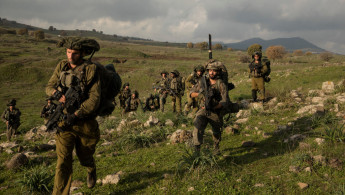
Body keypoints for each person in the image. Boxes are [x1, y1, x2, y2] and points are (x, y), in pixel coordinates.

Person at [46, 37, 102, 194]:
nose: (70, 56)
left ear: (83, 53)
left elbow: (94, 99)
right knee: (63, 161)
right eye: (68, 52)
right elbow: (49, 86)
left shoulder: (91, 69)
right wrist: (55, 93)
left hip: (85, 122)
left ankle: (90, 168)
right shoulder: (62, 66)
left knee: (85, 156)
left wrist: (77, 113)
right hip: (64, 122)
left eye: (75, 53)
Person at [190, 61, 229, 155]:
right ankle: (197, 151)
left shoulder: (221, 84)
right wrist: (200, 95)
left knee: (216, 131)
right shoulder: (202, 81)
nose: (211, 73)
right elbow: (191, 93)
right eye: (210, 70)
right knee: (197, 127)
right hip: (203, 109)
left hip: (215, 111)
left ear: (218, 72)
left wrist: (215, 107)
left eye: (214, 71)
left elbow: (224, 101)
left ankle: (216, 147)